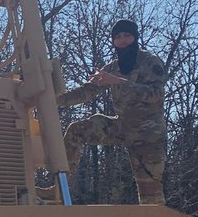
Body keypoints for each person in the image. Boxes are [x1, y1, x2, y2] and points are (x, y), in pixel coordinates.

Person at [40, 18, 168, 206]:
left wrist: (118, 82)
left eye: (127, 36)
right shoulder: (112, 68)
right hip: (122, 126)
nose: (122, 41)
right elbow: (86, 92)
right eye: (118, 37)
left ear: (135, 37)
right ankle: (59, 187)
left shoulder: (150, 62)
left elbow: (156, 94)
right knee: (78, 129)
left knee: (150, 195)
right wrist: (53, 100)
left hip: (148, 133)